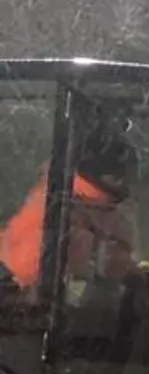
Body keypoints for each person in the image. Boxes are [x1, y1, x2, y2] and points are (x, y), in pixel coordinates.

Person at [0, 116, 138, 293]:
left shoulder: (64, 198)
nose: (127, 180)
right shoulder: (66, 213)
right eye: (121, 170)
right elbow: (30, 283)